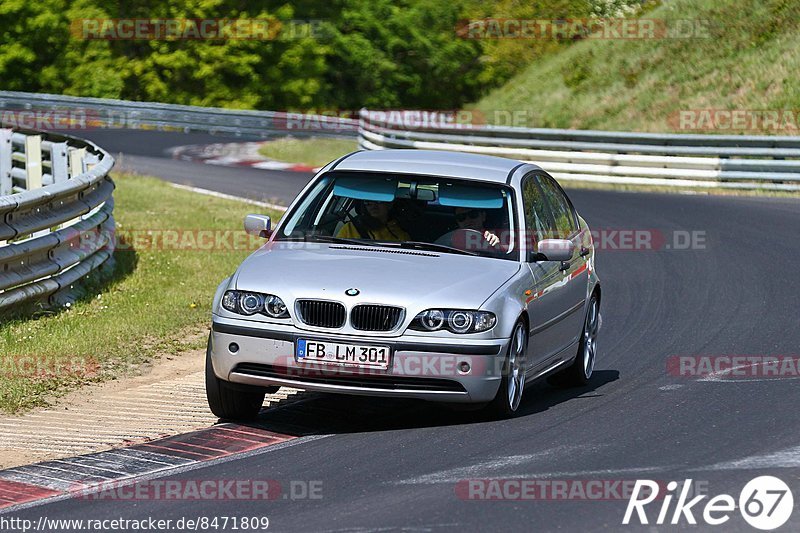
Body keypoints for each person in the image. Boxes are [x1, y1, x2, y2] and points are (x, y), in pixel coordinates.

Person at [337, 199, 410, 241]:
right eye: (368, 201)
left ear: (389, 204)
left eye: (379, 201)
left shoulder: (401, 234)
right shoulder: (349, 228)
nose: (373, 205)